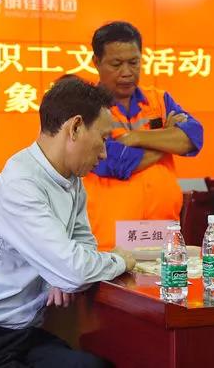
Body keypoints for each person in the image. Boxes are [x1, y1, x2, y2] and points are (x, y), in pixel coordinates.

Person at [0, 75, 136, 368]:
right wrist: (119, 260)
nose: (104, 153)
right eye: (103, 138)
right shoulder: (20, 184)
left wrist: (60, 273)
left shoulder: (73, 181)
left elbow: (81, 251)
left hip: (20, 333)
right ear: (75, 127)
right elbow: (74, 270)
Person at [82, 21, 204, 250]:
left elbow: (193, 138)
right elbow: (116, 161)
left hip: (162, 237)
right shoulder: (88, 107)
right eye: (116, 64)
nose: (127, 72)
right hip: (109, 243)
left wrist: (136, 138)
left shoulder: (159, 100)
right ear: (96, 62)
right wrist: (166, 138)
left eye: (134, 62)